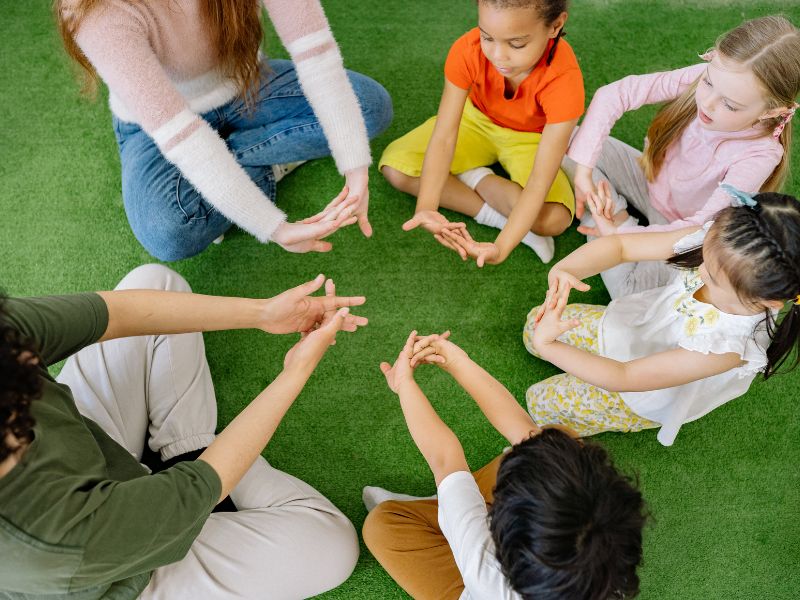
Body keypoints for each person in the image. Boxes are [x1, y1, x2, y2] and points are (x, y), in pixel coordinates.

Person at [0, 264, 368, 598]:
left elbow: (115, 314)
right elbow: (195, 486)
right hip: (116, 573)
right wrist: (295, 373)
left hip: (96, 457)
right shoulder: (48, 543)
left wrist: (264, 313)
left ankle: (185, 447)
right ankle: (195, 453)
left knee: (157, 283)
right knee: (332, 545)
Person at [55, 0, 393, 261]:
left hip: (245, 83)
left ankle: (230, 177)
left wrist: (355, 167)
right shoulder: (92, 10)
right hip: (159, 126)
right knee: (167, 232)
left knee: (370, 108)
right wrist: (274, 228)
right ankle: (263, 163)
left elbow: (316, 54)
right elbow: (183, 138)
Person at [362, 331, 646, 599]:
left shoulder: (484, 569)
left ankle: (447, 504)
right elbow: (525, 432)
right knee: (555, 440)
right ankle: (452, 501)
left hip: (471, 583)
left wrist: (404, 385)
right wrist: (458, 363)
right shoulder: (606, 561)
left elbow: (445, 459)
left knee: (381, 526)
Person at [523, 187, 800, 446]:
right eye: (704, 258)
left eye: (713, 278)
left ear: (767, 300)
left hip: (638, 392)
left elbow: (624, 376)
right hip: (635, 325)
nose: (701, 271)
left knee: (541, 404)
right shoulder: (722, 240)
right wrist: (566, 269)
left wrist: (550, 346)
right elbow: (622, 247)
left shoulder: (728, 347)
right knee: (533, 327)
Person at [563, 15, 800, 298]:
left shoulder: (762, 155)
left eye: (730, 105)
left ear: (771, 112)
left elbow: (699, 229)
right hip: (648, 179)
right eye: (708, 83)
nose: (707, 103)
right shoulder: (714, 77)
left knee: (627, 292)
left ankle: (613, 218)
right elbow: (615, 94)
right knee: (567, 140)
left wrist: (621, 236)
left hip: (680, 232)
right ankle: (608, 214)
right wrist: (584, 172)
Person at [380, 0, 584, 265]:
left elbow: (539, 181)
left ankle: (473, 176)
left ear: (555, 26)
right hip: (474, 121)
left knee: (553, 219)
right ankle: (497, 216)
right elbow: (444, 136)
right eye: (487, 37)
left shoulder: (564, 81)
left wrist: (500, 249)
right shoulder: (467, 49)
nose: (498, 55)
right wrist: (427, 207)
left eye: (516, 44)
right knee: (396, 169)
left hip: (531, 138)